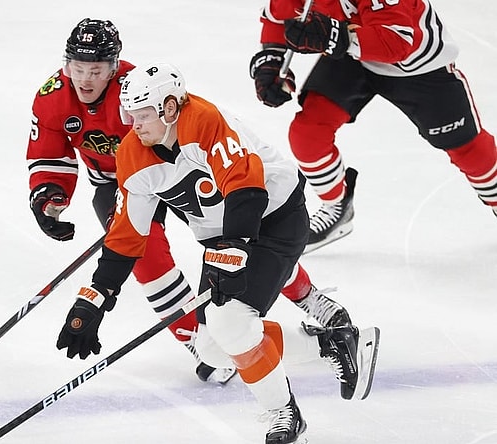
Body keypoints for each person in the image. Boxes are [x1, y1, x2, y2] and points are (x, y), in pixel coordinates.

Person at [55, 63, 380, 444]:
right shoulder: (133, 154)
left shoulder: (205, 122)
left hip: (274, 219)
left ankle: (285, 415)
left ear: (170, 108)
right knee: (212, 348)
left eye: (143, 115)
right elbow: (127, 237)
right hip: (224, 238)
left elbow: (246, 188)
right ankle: (332, 345)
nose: (135, 125)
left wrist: (235, 249)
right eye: (130, 115)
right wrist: (95, 298)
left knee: (231, 324)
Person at [27, 18, 349, 385]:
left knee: (237, 235)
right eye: (77, 68)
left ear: (114, 66)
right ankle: (198, 339)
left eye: (96, 70)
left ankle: (306, 296)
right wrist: (49, 194)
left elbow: (185, 126)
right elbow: (49, 153)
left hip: (176, 172)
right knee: (144, 258)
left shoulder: (138, 89)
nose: (84, 79)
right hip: (119, 182)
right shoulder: (53, 96)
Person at [249, 0, 497, 252]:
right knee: (307, 133)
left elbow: (398, 42)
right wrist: (271, 60)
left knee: (470, 151)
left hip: (416, 66)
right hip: (352, 56)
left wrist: (334, 36)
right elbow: (278, 15)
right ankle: (337, 207)